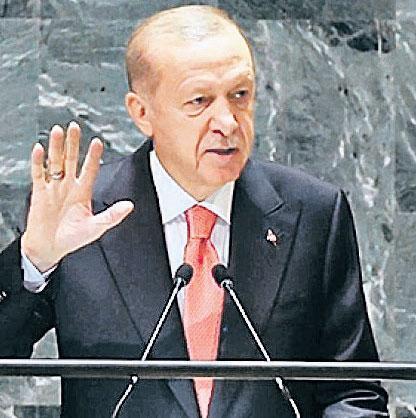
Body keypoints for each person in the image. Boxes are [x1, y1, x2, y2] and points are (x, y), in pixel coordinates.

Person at [0, 5, 388, 418]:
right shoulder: (80, 216)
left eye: (240, 95)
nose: (228, 121)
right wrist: (34, 261)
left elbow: (353, 392)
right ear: (142, 112)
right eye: (199, 101)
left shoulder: (313, 213)